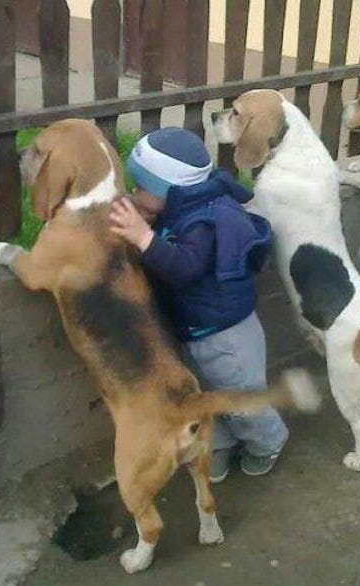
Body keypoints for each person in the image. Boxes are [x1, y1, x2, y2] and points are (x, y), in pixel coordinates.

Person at [109, 127, 289, 482]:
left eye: (142, 188)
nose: (134, 193)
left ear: (169, 191)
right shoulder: (183, 208)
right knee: (204, 397)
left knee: (241, 401)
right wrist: (149, 225)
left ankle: (267, 442)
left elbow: (185, 269)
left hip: (226, 338)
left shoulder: (204, 222)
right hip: (195, 330)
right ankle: (217, 445)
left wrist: (143, 237)